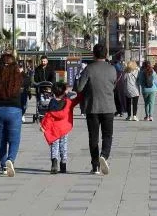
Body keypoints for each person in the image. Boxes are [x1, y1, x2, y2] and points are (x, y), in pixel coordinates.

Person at [76, 43, 117, 176]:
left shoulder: (89, 69)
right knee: (107, 135)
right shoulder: (112, 69)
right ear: (106, 54)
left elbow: (79, 88)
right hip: (108, 107)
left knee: (93, 137)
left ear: (93, 54)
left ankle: (95, 166)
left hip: (92, 107)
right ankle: (104, 155)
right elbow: (114, 86)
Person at [40, 82, 80, 174]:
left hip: (54, 129)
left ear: (54, 92)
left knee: (54, 146)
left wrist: (44, 126)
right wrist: (81, 94)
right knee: (63, 145)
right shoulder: (68, 102)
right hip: (64, 128)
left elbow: (49, 116)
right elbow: (76, 100)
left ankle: (54, 163)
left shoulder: (52, 102)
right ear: (63, 92)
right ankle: (63, 165)